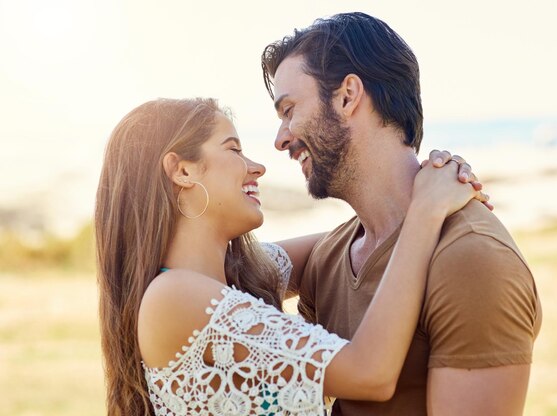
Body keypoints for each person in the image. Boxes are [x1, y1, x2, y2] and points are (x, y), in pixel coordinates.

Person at [94, 97, 486, 415]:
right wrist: (426, 211)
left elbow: (364, 235)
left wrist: (424, 185)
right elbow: (371, 374)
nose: (258, 167)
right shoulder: (174, 297)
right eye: (234, 149)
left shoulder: (233, 277)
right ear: (182, 171)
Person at [261, 12, 542, 416]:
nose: (281, 138)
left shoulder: (473, 259)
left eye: (289, 110)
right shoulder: (329, 257)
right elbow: (221, 271)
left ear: (347, 96)